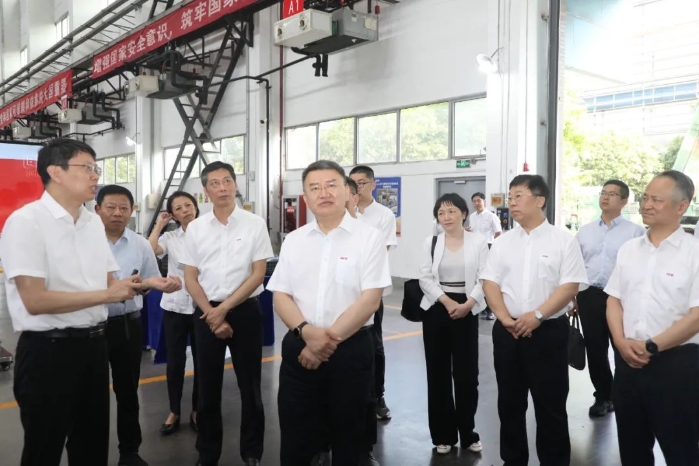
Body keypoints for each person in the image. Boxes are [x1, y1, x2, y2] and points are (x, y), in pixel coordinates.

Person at [0, 138, 142, 466]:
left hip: (94, 348)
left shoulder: (92, 223)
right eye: (87, 168)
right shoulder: (26, 222)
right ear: (56, 172)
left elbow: (109, 284)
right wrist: (108, 295)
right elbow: (35, 300)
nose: (95, 176)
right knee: (43, 450)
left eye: (96, 168)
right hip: (48, 352)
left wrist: (145, 284)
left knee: (91, 448)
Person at [267, 160, 391, 466]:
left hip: (351, 351)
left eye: (332, 185)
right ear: (306, 197)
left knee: (350, 441)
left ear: (348, 192)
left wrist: (324, 342)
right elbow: (281, 295)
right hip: (299, 348)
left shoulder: (369, 237)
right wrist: (307, 334)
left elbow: (370, 300)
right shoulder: (294, 240)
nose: (324, 193)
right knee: (296, 439)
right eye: (315, 187)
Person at [482, 174, 588, 466]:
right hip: (508, 332)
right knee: (509, 404)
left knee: (550, 405)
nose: (512, 203)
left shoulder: (563, 241)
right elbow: (489, 282)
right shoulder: (503, 242)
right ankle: (512, 460)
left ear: (540, 200)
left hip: (548, 333)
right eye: (510, 197)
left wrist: (538, 315)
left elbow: (570, 285)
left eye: (519, 196)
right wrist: (504, 317)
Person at [181, 161, 273, 466]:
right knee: (207, 387)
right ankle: (207, 453)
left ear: (236, 184)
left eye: (227, 181)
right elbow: (190, 277)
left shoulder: (254, 224)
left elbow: (258, 274)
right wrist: (212, 312)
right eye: (215, 183)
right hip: (206, 312)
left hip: (245, 311)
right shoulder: (196, 228)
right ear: (205, 191)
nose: (222, 188)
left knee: (250, 386)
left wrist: (224, 309)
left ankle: (252, 452)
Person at [605, 170, 699, 466]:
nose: (646, 205)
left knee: (680, 448)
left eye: (656, 200)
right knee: (632, 447)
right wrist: (620, 342)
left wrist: (652, 346)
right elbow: (614, 299)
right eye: (645, 197)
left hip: (677, 364)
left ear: (681, 206)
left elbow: (697, 316)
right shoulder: (629, 249)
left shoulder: (694, 253)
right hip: (627, 360)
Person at [95, 184, 182, 466]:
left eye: (124, 208)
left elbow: (149, 282)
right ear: (97, 209)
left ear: (132, 211)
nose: (117, 213)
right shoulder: (84, 243)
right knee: (90, 396)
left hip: (127, 327)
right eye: (111, 207)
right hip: (91, 328)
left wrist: (152, 285)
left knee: (128, 393)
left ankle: (129, 452)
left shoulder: (140, 244)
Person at [418, 193, 488, 456]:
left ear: (463, 213)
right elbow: (425, 278)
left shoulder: (478, 241)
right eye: (441, 213)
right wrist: (447, 302)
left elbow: (485, 277)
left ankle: (468, 432)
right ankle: (443, 434)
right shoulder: (431, 242)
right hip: (437, 307)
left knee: (467, 375)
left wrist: (469, 304)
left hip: (467, 307)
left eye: (451, 211)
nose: (446, 217)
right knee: (437, 374)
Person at [574, 180, 644, 417]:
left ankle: (627, 395)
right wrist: (573, 296)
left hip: (621, 297)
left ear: (624, 201)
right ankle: (604, 396)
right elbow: (576, 266)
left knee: (622, 346)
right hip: (589, 295)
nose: (605, 197)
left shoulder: (635, 233)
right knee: (595, 349)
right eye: (603, 193)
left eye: (612, 194)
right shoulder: (585, 231)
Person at [148, 191, 200, 435]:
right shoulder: (170, 237)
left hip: (203, 306)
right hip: (175, 306)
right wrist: (159, 224)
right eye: (178, 208)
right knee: (175, 362)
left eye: (188, 205)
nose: (185, 210)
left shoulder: (209, 234)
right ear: (174, 215)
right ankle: (174, 410)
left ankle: (197, 409)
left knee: (203, 361)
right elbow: (151, 249)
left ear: (196, 207)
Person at [349, 165, 397, 422]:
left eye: (362, 182)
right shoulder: (344, 212)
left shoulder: (384, 215)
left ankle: (377, 395)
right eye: (353, 183)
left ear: (373, 184)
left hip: (371, 290)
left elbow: (382, 252)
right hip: (344, 289)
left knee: (374, 343)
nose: (357, 187)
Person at [467, 192, 501, 320]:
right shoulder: (472, 216)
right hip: (474, 249)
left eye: (479, 201)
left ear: (484, 202)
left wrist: (494, 249)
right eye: (474, 201)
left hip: (488, 247)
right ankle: (479, 306)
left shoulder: (491, 216)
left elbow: (498, 233)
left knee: (487, 279)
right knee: (476, 278)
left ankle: (490, 310)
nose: (476, 203)